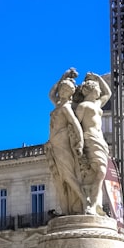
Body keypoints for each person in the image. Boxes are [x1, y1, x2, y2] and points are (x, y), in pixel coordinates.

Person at [46, 68, 85, 214]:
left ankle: (84, 201)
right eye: (61, 89)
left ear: (70, 94)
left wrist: (80, 143)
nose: (61, 92)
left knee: (68, 175)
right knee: (60, 179)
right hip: (54, 145)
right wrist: (62, 77)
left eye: (65, 90)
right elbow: (51, 93)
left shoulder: (66, 108)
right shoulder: (58, 105)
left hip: (63, 144)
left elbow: (76, 125)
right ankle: (66, 209)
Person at [74, 71, 112, 216]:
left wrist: (98, 78)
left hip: (100, 140)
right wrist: (79, 143)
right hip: (89, 138)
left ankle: (95, 204)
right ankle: (90, 204)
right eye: (97, 87)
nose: (99, 90)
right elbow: (76, 125)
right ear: (90, 90)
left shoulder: (97, 104)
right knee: (99, 172)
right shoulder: (83, 106)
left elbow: (107, 93)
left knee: (101, 173)